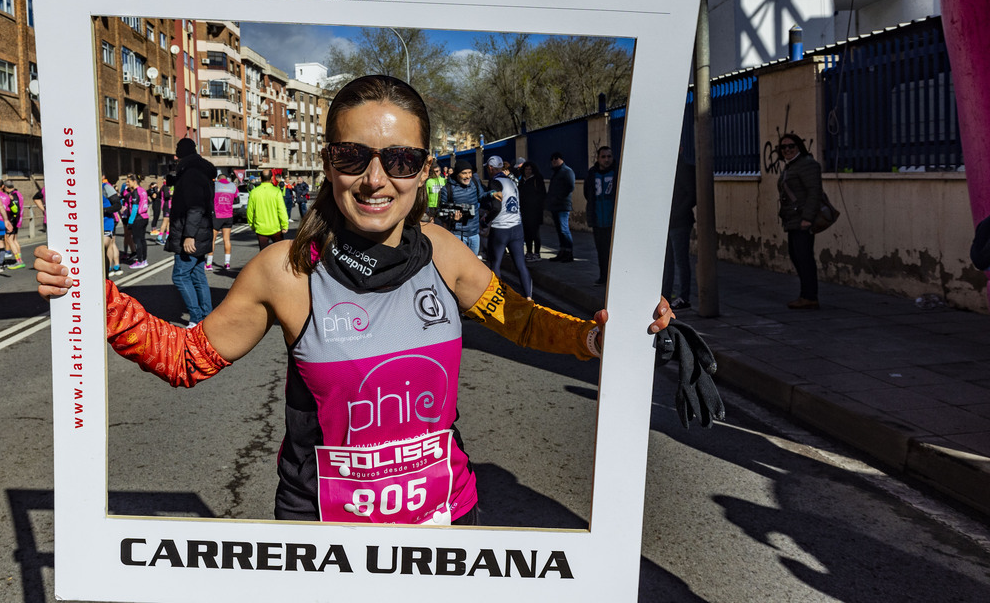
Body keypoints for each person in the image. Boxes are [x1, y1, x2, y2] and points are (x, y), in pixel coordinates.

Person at [34, 74, 674, 525]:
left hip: (443, 525)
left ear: (423, 169)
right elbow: (185, 356)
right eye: (353, 156)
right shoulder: (285, 272)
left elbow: (524, 323)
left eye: (399, 159)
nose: (375, 179)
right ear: (327, 162)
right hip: (323, 538)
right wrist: (93, 297)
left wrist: (598, 336)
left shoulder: (443, 251)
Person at [166, 138, 215, 324]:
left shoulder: (191, 173)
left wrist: (188, 236)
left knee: (180, 276)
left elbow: (195, 207)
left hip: (192, 233)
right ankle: (206, 316)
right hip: (202, 231)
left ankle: (196, 317)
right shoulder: (198, 170)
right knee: (197, 274)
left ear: (182, 152)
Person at [777, 133, 823, 309]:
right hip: (792, 220)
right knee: (797, 256)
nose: (787, 149)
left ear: (799, 147)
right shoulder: (791, 166)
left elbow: (814, 192)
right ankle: (806, 294)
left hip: (802, 220)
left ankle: (810, 296)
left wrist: (807, 218)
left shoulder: (807, 165)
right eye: (784, 147)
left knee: (804, 258)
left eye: (791, 146)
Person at [482, 154, 532, 298]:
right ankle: (528, 298)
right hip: (517, 226)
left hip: (501, 228)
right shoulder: (512, 182)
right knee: (520, 265)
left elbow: (496, 207)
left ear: (491, 168)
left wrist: (485, 220)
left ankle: (498, 298)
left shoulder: (495, 182)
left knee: (496, 263)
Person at [662, 150, 696, 310]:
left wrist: (675, 214)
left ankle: (684, 296)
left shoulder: (683, 168)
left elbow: (692, 195)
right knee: (667, 261)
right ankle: (665, 295)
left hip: (679, 222)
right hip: (667, 223)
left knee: (680, 260)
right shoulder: (665, 169)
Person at [438, 159, 481, 255]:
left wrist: (492, 194)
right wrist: (451, 218)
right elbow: (440, 212)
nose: (468, 176)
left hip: (474, 234)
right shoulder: (447, 189)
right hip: (457, 234)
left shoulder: (474, 183)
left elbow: (482, 196)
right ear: (457, 174)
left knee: (473, 265)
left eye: (470, 172)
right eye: (464, 173)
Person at [587, 145, 617, 285]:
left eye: (609, 156)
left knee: (614, 252)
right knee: (601, 251)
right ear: (598, 158)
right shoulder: (592, 174)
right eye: (603, 157)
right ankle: (603, 277)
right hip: (598, 220)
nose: (606, 160)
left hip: (614, 221)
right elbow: (588, 193)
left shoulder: (617, 172)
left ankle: (615, 278)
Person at [546, 152, 575, 263]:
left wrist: (559, 197)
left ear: (561, 159)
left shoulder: (567, 171)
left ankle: (569, 252)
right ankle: (562, 251)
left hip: (563, 206)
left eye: (556, 158)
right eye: (552, 159)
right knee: (559, 230)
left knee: (564, 229)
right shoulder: (556, 172)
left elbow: (570, 186)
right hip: (555, 206)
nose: (554, 160)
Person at [248, 169, 289, 249]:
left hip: (261, 228)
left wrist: (252, 225)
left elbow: (250, 211)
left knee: (263, 253)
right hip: (276, 228)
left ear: (260, 178)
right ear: (272, 178)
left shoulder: (254, 192)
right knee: (279, 251)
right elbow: (281, 210)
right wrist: (284, 225)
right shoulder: (276, 191)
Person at [207, 171, 238, 271]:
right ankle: (227, 263)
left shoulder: (214, 185)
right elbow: (236, 199)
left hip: (217, 215)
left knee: (213, 239)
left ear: (218, 179)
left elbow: (208, 198)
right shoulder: (233, 186)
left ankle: (209, 264)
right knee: (227, 239)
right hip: (228, 215)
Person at [517, 159, 546, 261]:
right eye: (526, 169)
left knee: (535, 233)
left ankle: (537, 253)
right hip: (524, 211)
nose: (528, 171)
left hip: (535, 211)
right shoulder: (522, 180)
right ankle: (529, 252)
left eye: (530, 169)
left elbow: (542, 194)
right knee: (527, 233)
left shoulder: (537, 179)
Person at [125, 174, 150, 269]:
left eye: (128, 181)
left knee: (137, 240)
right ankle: (144, 260)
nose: (127, 183)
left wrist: (130, 222)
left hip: (138, 218)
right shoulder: (143, 190)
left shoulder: (135, 192)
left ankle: (140, 261)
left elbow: (135, 208)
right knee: (143, 239)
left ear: (134, 181)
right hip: (145, 217)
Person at [102, 178, 123, 277]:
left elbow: (118, 205)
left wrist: (104, 210)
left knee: (106, 246)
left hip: (107, 223)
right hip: (92, 226)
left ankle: (109, 269)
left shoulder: (105, 187)